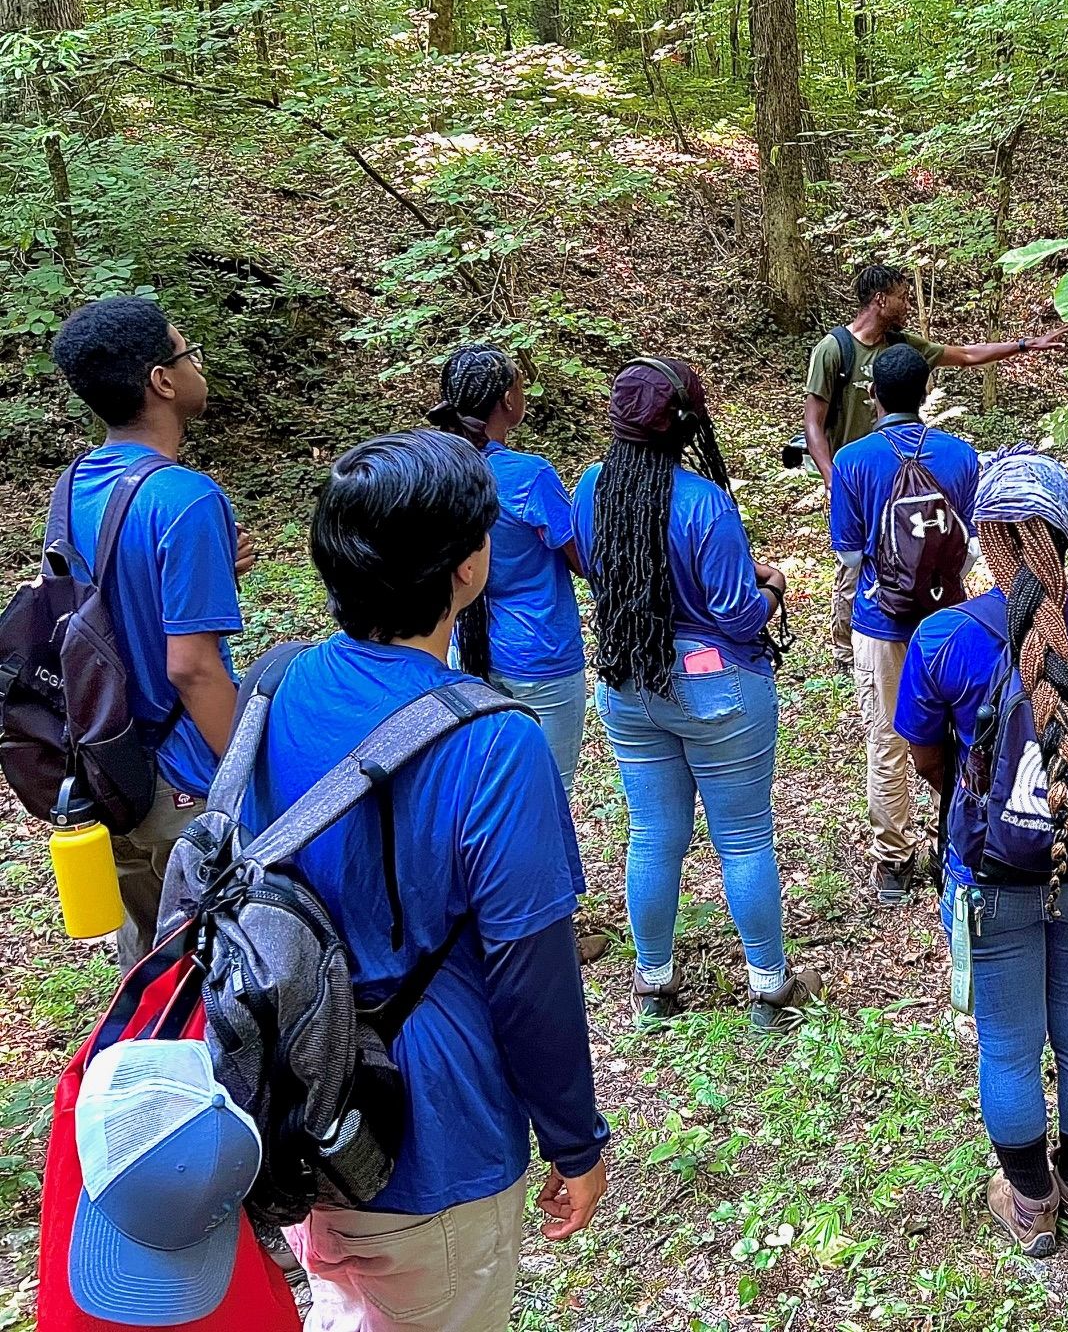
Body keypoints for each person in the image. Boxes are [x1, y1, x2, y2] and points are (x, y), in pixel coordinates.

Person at [263, 430, 606, 1330]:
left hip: (297, 1092)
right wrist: (575, 1141)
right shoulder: (494, 744)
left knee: (342, 1304)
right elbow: (533, 979)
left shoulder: (274, 685)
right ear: (465, 568)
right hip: (429, 1129)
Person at [894, 449, 1068, 1257]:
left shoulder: (944, 639)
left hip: (994, 873)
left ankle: (1032, 1206)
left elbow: (926, 755)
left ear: (984, 537)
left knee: (1008, 1045)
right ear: (1067, 536)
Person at [573, 357, 823, 1027]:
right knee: (743, 839)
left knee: (652, 836)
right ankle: (769, 988)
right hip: (717, 687)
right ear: (686, 424)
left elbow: (602, 571)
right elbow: (738, 615)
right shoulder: (704, 503)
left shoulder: (592, 488)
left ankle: (654, 985)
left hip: (629, 682)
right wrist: (772, 584)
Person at [49, 296, 247, 970]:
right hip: (182, 784)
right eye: (188, 352)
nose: (197, 364)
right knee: (218, 968)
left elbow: (100, 611)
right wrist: (250, 775)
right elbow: (192, 668)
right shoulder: (184, 497)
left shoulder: (70, 487)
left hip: (107, 771)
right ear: (162, 381)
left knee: (150, 965)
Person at [804, 262, 1068, 669]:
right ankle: (852, 651)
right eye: (902, 296)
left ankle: (916, 643)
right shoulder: (834, 350)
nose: (908, 303)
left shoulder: (904, 346)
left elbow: (964, 355)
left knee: (922, 556)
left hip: (913, 477)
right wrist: (832, 480)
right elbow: (814, 424)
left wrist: (1022, 346)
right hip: (861, 481)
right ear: (880, 300)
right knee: (857, 573)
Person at [829, 344, 980, 904]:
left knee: (888, 737)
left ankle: (893, 860)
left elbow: (848, 554)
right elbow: (969, 543)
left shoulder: (853, 461)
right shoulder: (962, 456)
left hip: (882, 619)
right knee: (961, 727)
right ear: (925, 395)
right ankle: (959, 836)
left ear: (873, 397)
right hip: (949, 617)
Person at [427, 345, 589, 793]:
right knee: (549, 794)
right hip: (541, 653)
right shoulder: (529, 476)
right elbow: (583, 560)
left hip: (468, 651)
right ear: (507, 401)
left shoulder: (437, 470)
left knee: (490, 791)